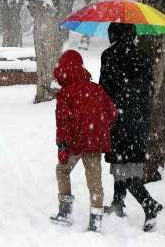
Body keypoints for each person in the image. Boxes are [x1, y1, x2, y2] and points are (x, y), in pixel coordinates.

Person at [100, 23, 163, 232]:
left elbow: (104, 89)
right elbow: (150, 87)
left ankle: (149, 204)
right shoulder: (143, 56)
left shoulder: (109, 56)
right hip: (139, 118)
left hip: (118, 117)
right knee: (128, 161)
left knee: (121, 165)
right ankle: (118, 202)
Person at [50, 50, 117, 232]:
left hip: (75, 142)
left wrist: (62, 145)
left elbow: (63, 121)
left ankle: (65, 212)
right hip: (94, 142)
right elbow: (112, 113)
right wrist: (97, 125)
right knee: (95, 181)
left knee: (62, 170)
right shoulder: (96, 89)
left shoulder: (65, 94)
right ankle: (95, 220)